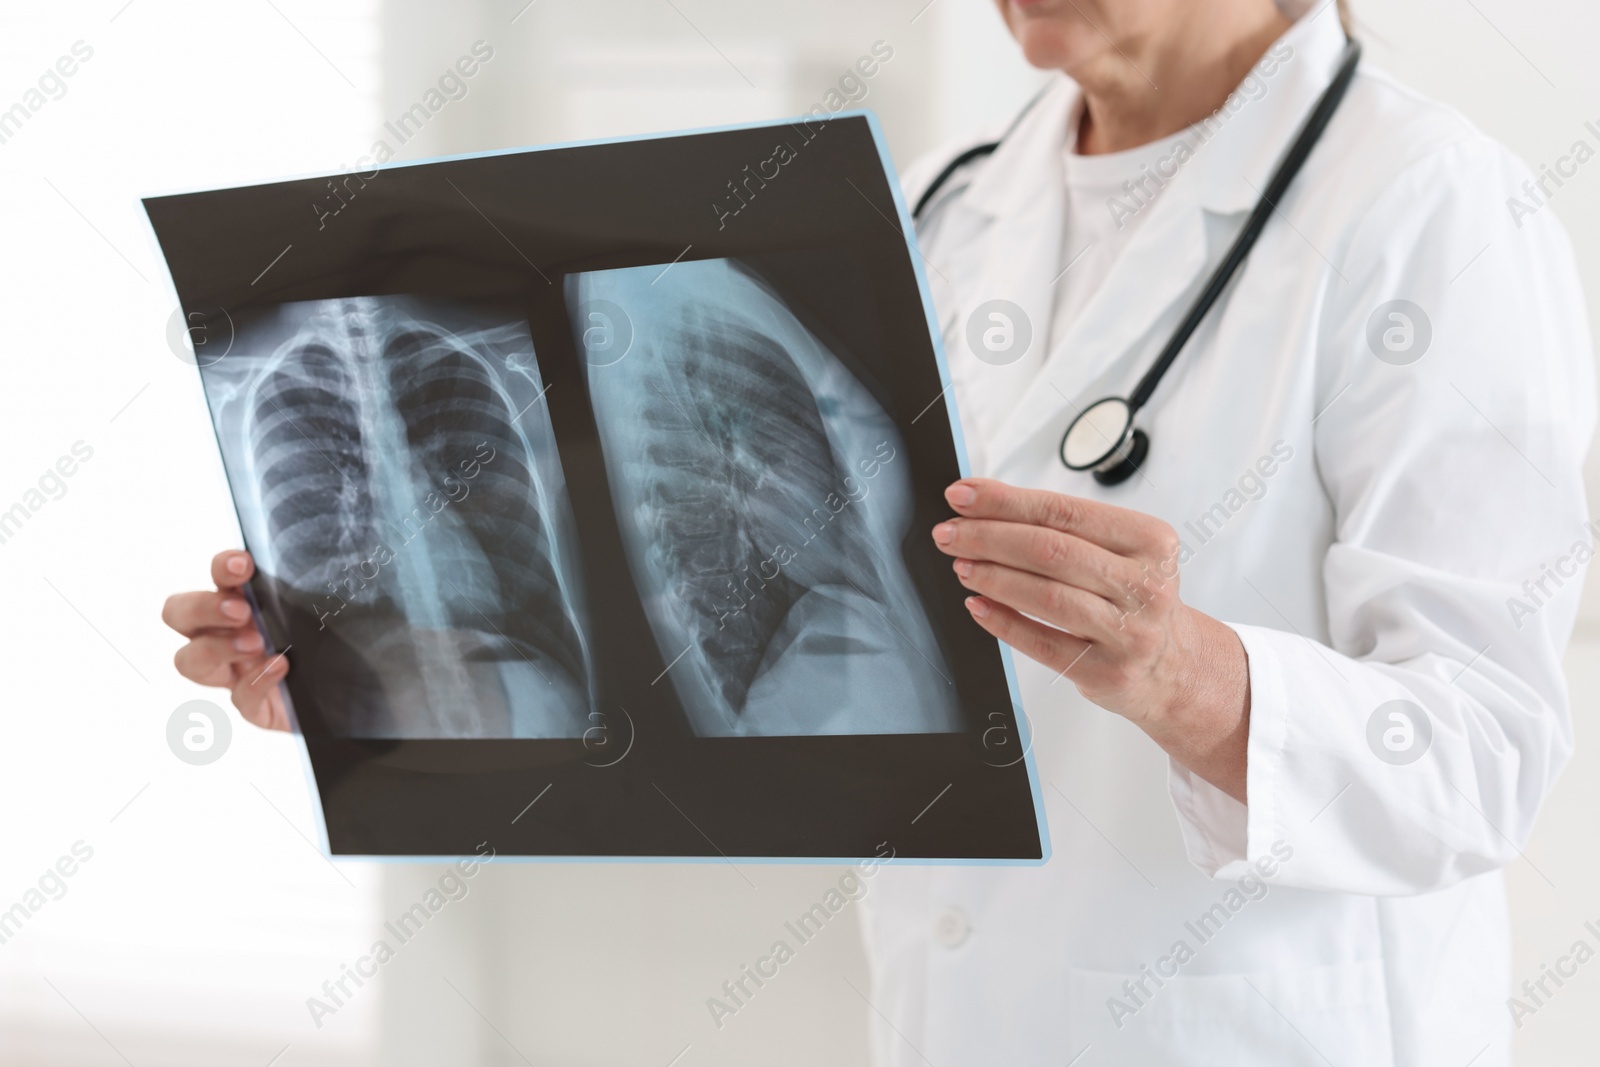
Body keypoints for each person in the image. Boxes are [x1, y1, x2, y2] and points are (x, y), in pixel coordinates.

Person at [163, 0, 1595, 1062]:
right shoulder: (950, 200)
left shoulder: (1430, 209)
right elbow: (757, 682)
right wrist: (373, 673)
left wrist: (1187, 675)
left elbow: (1483, 760)